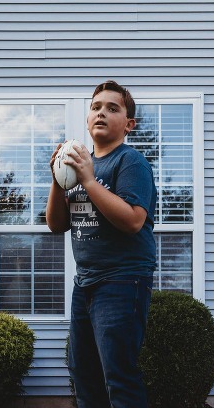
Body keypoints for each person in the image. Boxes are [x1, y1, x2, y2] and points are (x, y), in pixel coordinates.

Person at [46, 80, 157, 408]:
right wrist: (57, 179)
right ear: (87, 118)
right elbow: (56, 224)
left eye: (113, 108)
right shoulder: (79, 167)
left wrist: (90, 181)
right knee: (84, 376)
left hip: (122, 281)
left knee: (119, 377)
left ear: (129, 124)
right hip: (86, 284)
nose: (102, 113)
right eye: (96, 107)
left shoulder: (129, 162)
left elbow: (133, 220)